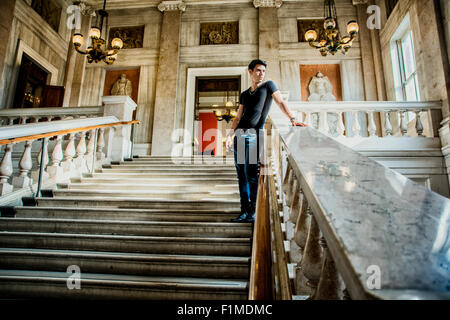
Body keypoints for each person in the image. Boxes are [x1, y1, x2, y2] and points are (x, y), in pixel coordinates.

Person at [226, 59, 307, 223]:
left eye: (263, 71)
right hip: (240, 135)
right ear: (250, 72)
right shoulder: (244, 94)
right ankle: (244, 211)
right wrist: (229, 135)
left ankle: (254, 211)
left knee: (251, 175)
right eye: (258, 70)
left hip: (255, 135)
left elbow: (281, 102)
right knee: (241, 175)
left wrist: (292, 118)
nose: (261, 73)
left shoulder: (269, 85)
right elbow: (238, 117)